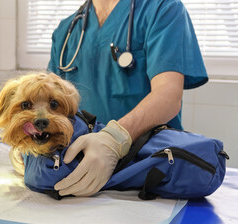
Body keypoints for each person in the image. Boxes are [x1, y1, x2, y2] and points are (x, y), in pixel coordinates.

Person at [47, 0, 208, 197]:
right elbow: (50, 104)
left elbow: (168, 95)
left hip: (150, 176)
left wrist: (113, 138)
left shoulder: (162, 9)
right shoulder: (66, 31)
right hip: (82, 179)